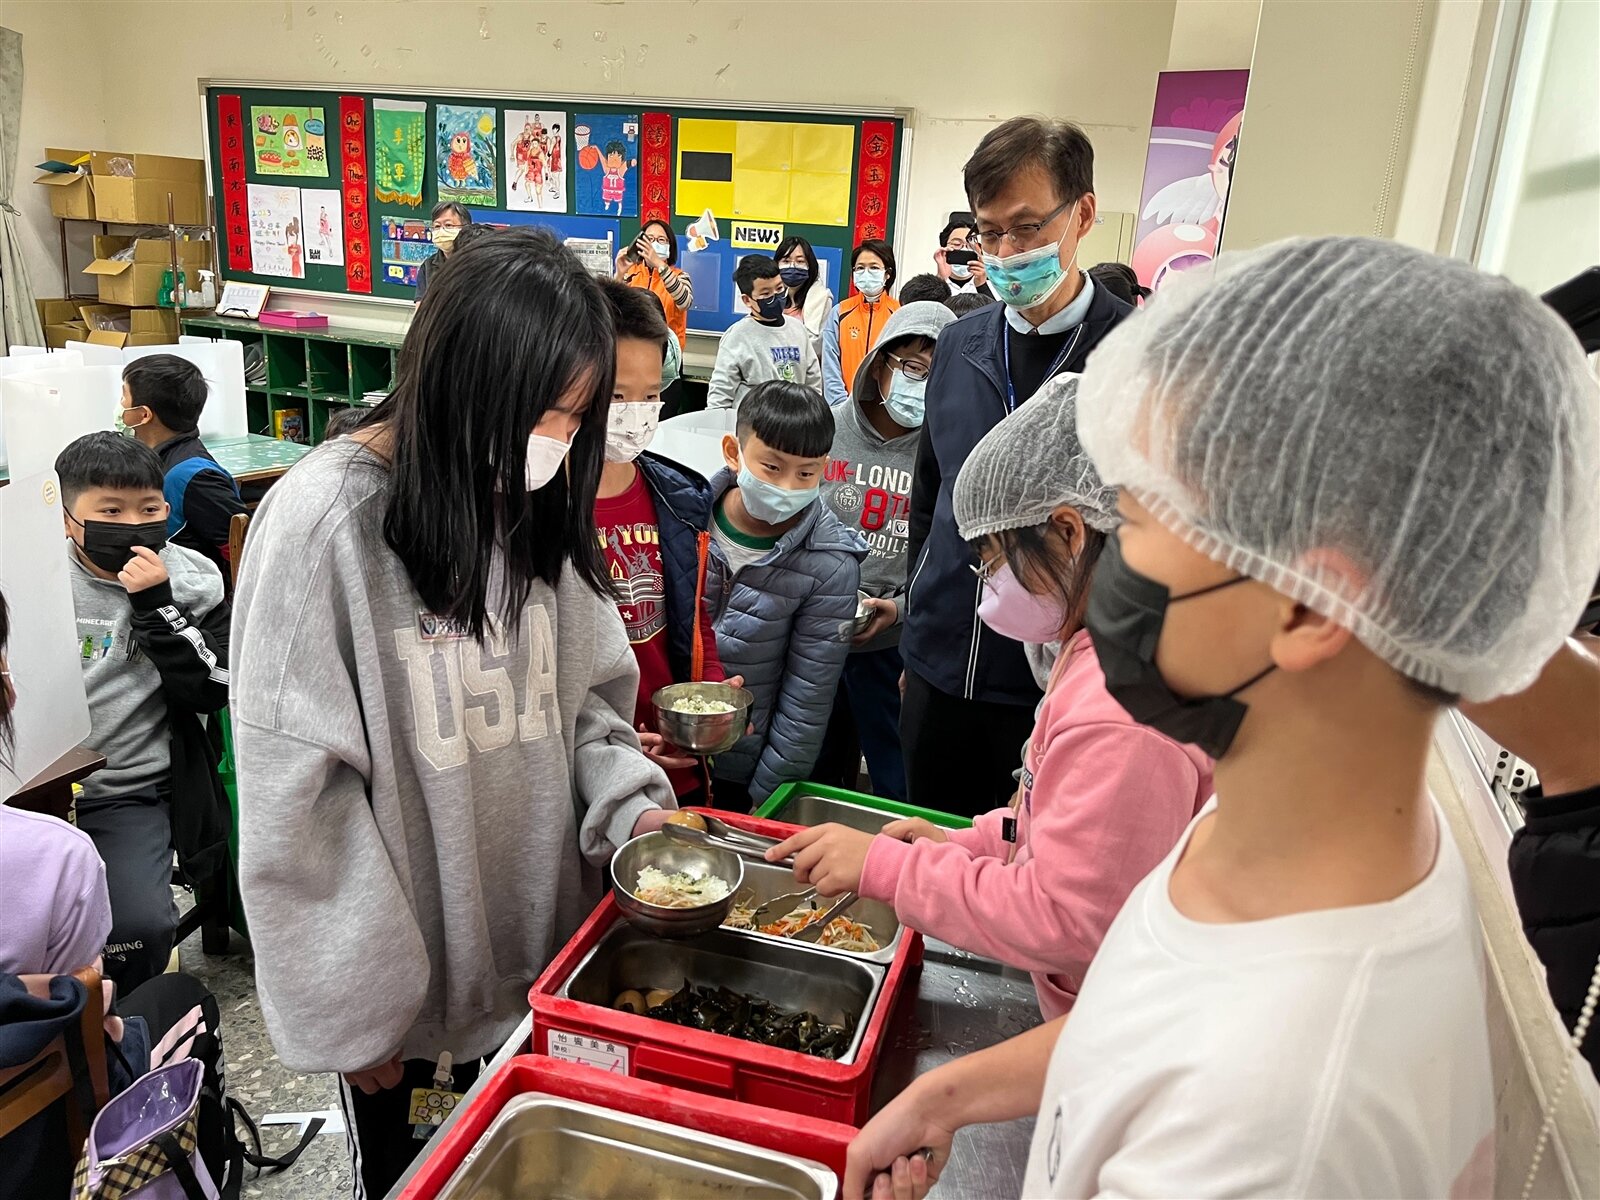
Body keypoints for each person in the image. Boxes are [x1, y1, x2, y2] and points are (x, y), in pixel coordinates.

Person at [842, 236, 1600, 1200]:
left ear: (1308, 608)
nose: (1112, 559)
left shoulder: (1276, 1129)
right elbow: (1145, 1016)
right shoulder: (1282, 831)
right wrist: (949, 1096)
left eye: (1142, 522)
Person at [231, 228, 678, 1197]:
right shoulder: (325, 526)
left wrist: (633, 813)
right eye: (541, 414)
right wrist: (352, 1014)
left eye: (573, 417)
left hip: (549, 965)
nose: (556, 443)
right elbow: (295, 807)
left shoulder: (526, 502)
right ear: (458, 382)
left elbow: (591, 709)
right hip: (409, 1010)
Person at [782, 375, 1212, 1019]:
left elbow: (1071, 918)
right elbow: (1062, 822)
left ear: (1069, 531)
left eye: (992, 553)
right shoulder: (1101, 645)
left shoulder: (1128, 708)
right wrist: (970, 843)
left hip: (1115, 1022)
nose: (985, 577)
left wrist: (887, 870)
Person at [900, 117, 1132, 818]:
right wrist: (917, 635)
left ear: (1083, 214)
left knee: (1024, 882)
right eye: (987, 232)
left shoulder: (1137, 357)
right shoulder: (961, 343)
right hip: (939, 669)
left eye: (1027, 229)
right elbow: (929, 499)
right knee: (927, 861)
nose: (1004, 252)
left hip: (1056, 690)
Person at [57, 433, 232, 994]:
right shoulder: (30, 580)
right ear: (67, 519)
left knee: (138, 928)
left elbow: (214, 687)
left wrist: (156, 606)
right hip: (27, 793)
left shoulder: (195, 579)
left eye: (149, 509)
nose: (133, 524)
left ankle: (123, 1033)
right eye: (110, 511)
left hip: (127, 789)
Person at [596, 278, 739, 801]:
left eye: (651, 395)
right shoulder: (543, 507)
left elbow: (692, 614)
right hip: (592, 767)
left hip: (675, 763)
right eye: (616, 396)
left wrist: (713, 690)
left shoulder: (677, 498)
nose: (637, 411)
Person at [815, 301, 954, 804]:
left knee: (896, 781)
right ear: (880, 363)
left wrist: (900, 610)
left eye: (937, 374)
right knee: (817, 768)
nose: (922, 384)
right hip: (818, 639)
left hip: (893, 647)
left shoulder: (944, 453)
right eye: (913, 368)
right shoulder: (828, 431)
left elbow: (948, 565)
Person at [705, 381, 866, 810]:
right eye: (771, 468)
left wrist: (770, 795)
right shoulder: (684, 517)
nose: (787, 486)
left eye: (806, 473)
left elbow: (807, 699)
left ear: (825, 469)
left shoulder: (830, 564)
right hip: (663, 748)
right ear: (733, 452)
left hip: (745, 767)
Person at [118, 355, 246, 585]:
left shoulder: (194, 477)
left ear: (144, 414)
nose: (120, 404)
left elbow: (243, 549)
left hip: (192, 596)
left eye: (124, 396)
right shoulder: (149, 458)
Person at [706, 255, 822, 412]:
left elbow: (813, 381)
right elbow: (720, 394)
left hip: (795, 425)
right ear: (747, 300)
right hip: (755, 427)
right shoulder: (737, 336)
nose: (776, 297)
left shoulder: (798, 329)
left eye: (779, 289)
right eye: (766, 294)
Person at [822, 240, 899, 408]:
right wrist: (840, 407)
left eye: (874, 267)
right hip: (844, 407)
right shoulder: (840, 312)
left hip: (885, 409)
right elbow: (830, 364)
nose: (866, 273)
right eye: (860, 268)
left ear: (887, 273)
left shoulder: (899, 313)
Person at [616, 218, 693, 355]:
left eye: (661, 240)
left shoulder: (680, 276)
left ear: (670, 246)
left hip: (667, 356)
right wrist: (619, 275)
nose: (653, 244)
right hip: (632, 352)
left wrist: (659, 264)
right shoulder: (630, 273)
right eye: (649, 239)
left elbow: (685, 302)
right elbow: (610, 308)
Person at [775, 236, 833, 357]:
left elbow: (816, 346)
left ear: (809, 265)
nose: (792, 266)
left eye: (800, 261)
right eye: (786, 261)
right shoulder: (771, 296)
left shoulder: (821, 298)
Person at [413, 200, 471, 301]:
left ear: (465, 228)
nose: (442, 231)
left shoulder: (478, 263)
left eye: (448, 225)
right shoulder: (428, 266)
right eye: (437, 226)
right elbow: (421, 308)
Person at [934, 213, 993, 299]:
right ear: (944, 248)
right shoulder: (931, 286)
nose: (964, 248)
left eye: (970, 244)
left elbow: (997, 311)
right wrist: (940, 279)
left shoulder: (994, 287)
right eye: (957, 243)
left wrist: (982, 286)